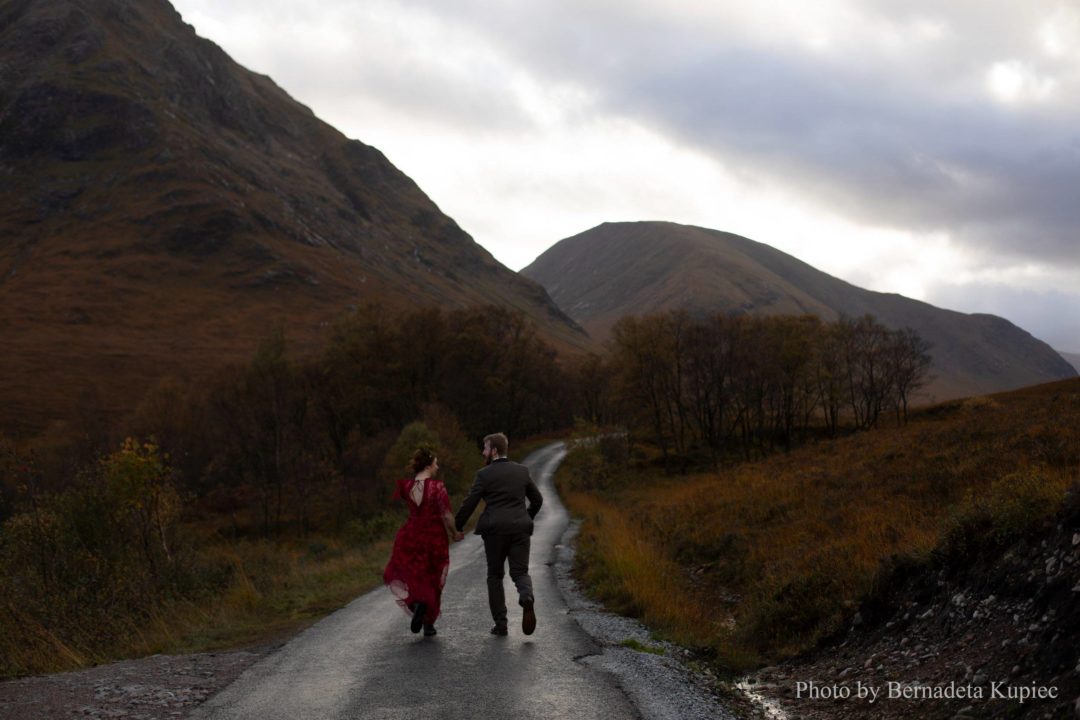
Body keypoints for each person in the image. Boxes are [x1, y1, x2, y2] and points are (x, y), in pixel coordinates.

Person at [455, 432, 543, 636]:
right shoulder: (522, 471)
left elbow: (470, 502)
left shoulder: (484, 475)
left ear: (494, 451)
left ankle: (501, 624)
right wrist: (526, 517)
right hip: (520, 529)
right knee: (520, 572)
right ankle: (526, 596)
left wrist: (458, 525)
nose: (483, 452)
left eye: (485, 448)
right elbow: (537, 500)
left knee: (495, 575)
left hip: (494, 532)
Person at [383, 446, 464, 637]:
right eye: (436, 463)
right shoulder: (437, 487)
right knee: (433, 576)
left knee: (412, 574)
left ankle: (416, 604)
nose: (437, 466)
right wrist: (455, 533)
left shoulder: (406, 486)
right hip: (433, 535)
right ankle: (429, 623)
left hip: (410, 533)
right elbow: (445, 514)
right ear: (428, 465)